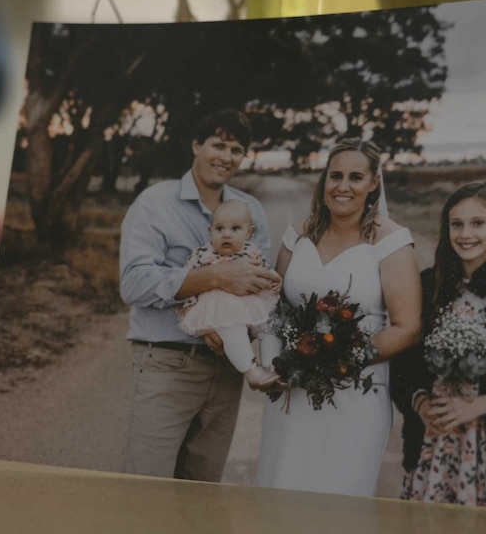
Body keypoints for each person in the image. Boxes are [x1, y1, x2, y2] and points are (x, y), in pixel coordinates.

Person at [119, 108, 281, 482]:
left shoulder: (250, 209)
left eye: (236, 149)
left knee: (200, 494)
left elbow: (262, 282)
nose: (226, 156)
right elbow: (134, 283)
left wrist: (241, 331)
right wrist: (214, 277)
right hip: (167, 365)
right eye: (218, 144)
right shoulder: (154, 203)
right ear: (196, 145)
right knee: (146, 489)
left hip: (226, 370)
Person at [254, 137, 422, 497]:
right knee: (283, 486)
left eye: (355, 177)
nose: (343, 186)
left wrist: (337, 361)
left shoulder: (390, 242)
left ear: (374, 182)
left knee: (340, 494)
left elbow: (407, 328)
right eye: (335, 176)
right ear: (324, 180)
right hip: (292, 392)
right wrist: (271, 364)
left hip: (354, 396)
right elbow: (273, 306)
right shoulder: (297, 236)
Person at [392, 181, 486, 508]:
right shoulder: (429, 284)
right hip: (433, 444)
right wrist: (420, 403)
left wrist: (483, 403)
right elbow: (402, 364)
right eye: (456, 224)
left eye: (478, 223)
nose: (465, 234)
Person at [178, 199, 279, 388]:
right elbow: (188, 280)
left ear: (249, 233)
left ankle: (272, 366)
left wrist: (273, 280)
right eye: (219, 229)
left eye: (235, 229)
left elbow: (264, 271)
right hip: (219, 303)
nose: (226, 234)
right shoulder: (200, 254)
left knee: (270, 326)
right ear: (210, 231)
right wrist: (190, 304)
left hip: (250, 300)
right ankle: (251, 370)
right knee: (233, 329)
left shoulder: (252, 252)